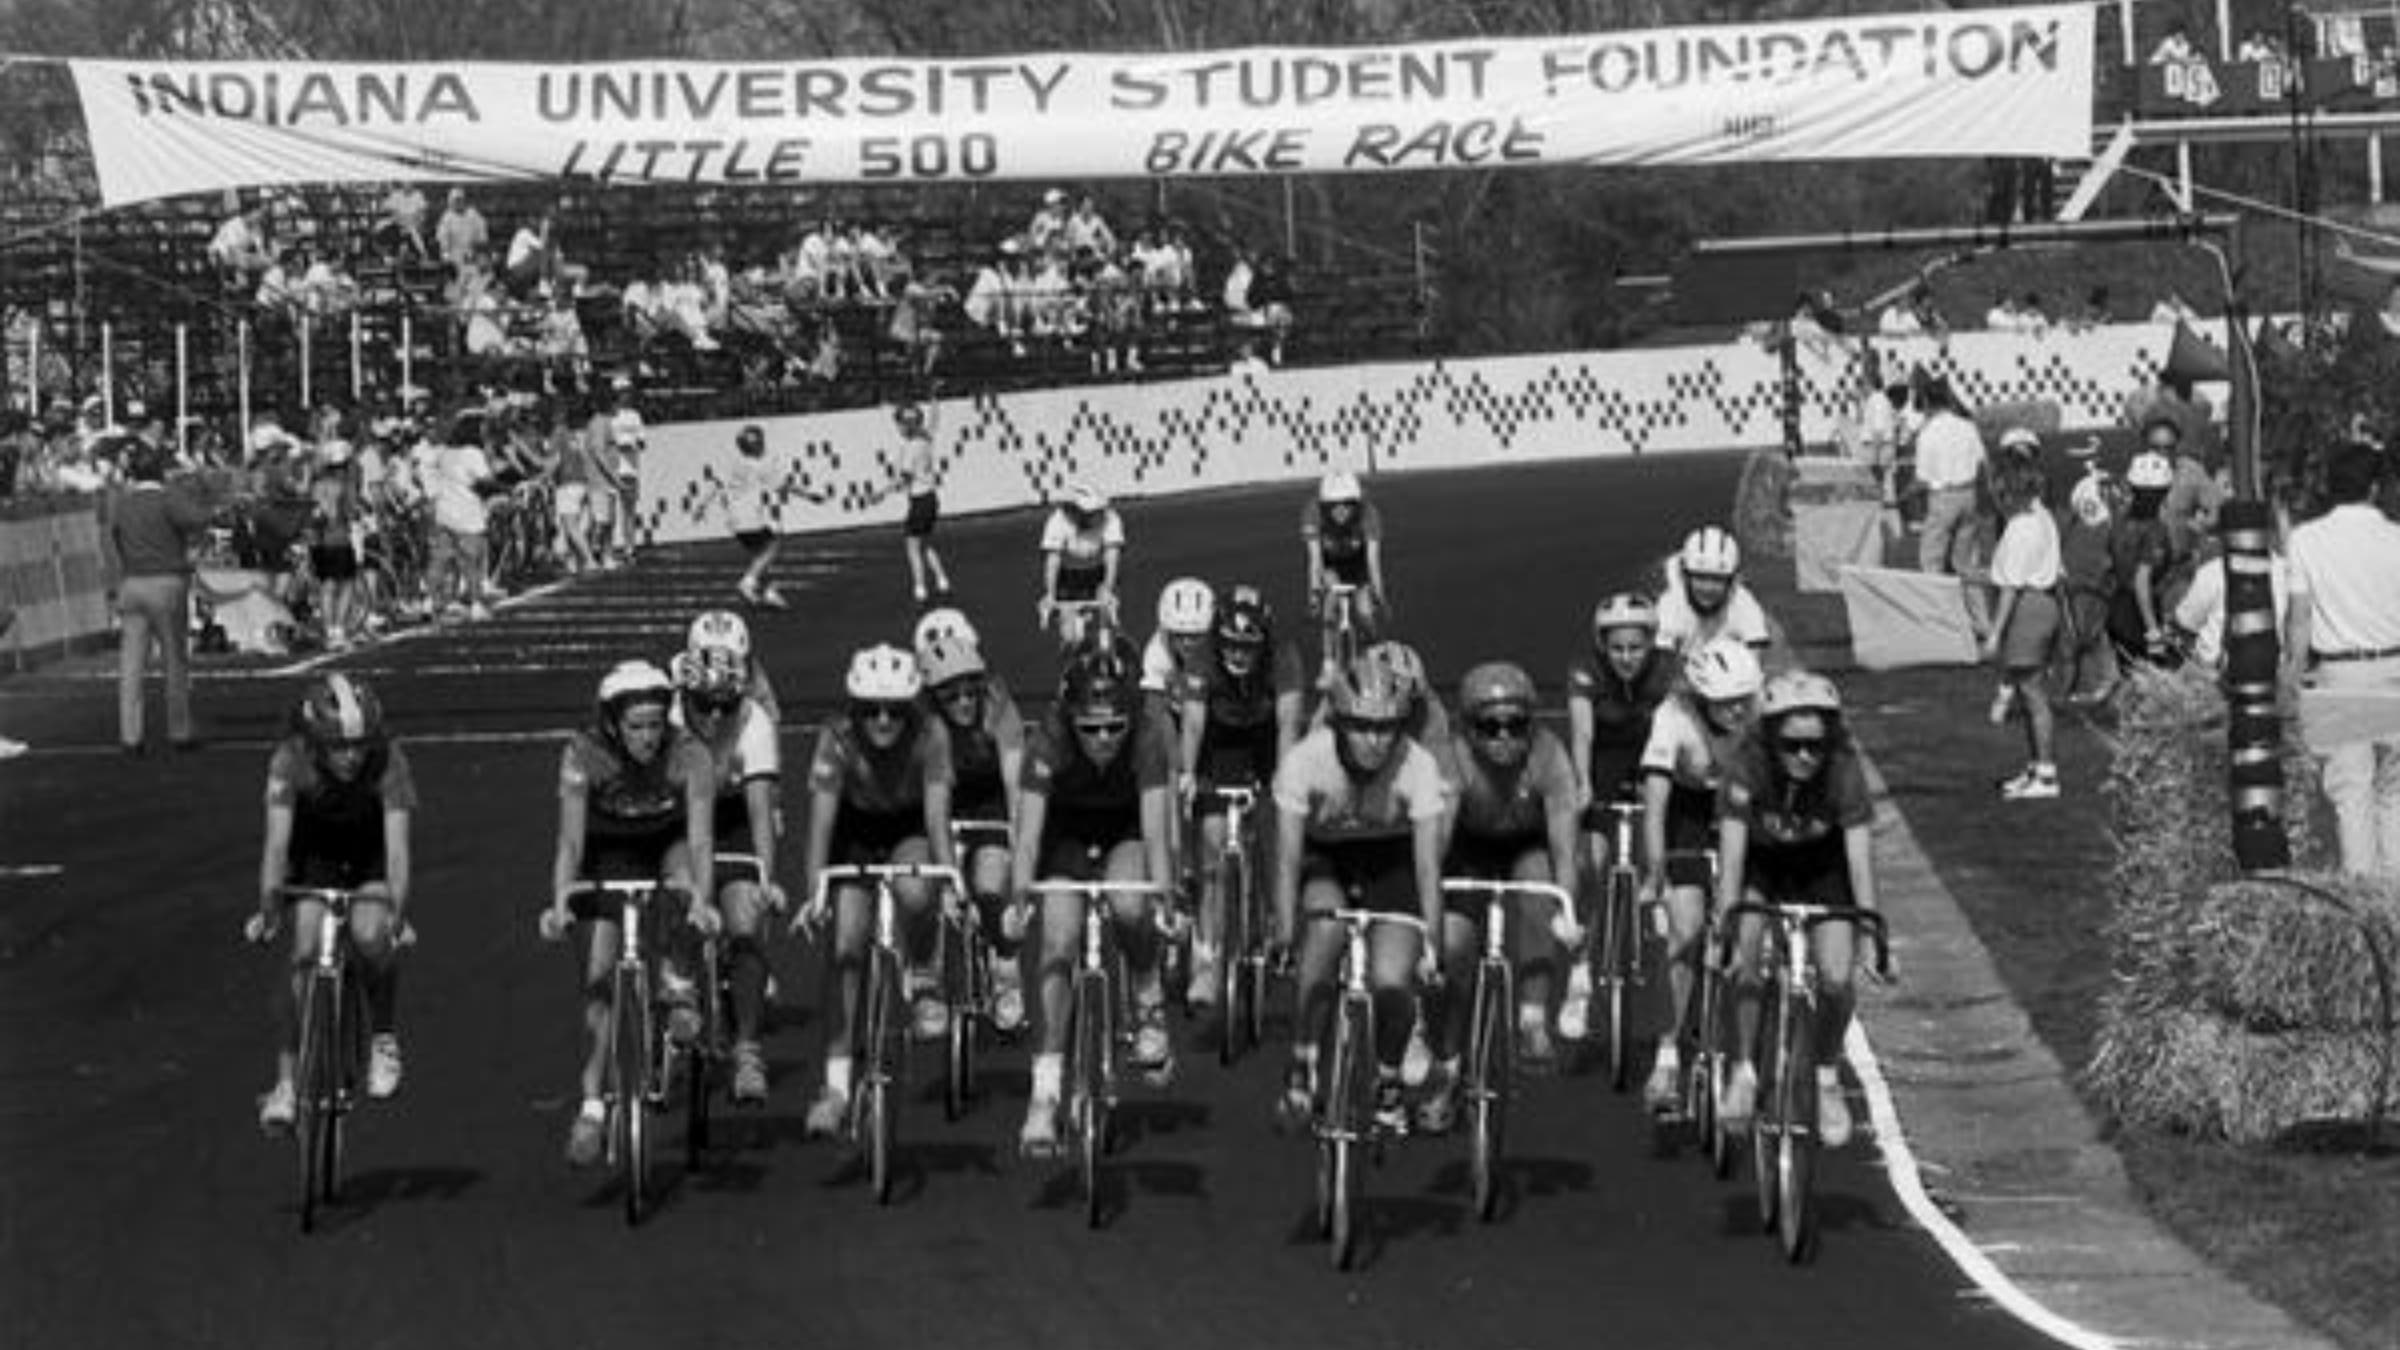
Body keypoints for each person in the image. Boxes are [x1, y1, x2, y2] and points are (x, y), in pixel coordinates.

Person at [539, 661, 719, 1166]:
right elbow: (570, 841)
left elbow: (702, 841)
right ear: (614, 725)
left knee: (683, 886)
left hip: (667, 842)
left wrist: (702, 901)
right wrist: (560, 900)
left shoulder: (690, 753)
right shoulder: (583, 753)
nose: (647, 737)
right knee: (598, 977)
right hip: (607, 849)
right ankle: (592, 1106)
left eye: (655, 725)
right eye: (636, 727)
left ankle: (680, 979)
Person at [1271, 656, 1452, 1135]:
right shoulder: (1304, 761)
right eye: (1362, 727)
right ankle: (1302, 1058)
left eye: (1386, 727)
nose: (1376, 740)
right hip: (1325, 857)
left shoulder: (1418, 764)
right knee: (1324, 932)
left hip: (1390, 861)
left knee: (1393, 981)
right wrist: (1285, 932)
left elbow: (1427, 866)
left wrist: (1431, 944)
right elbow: (1288, 858)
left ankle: (1388, 1077)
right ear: (1340, 722)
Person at [1009, 646, 1178, 1155]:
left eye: (1114, 727)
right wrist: (1019, 898)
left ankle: (1147, 995)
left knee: (1130, 905)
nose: (1104, 740)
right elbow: (1029, 837)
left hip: (1124, 828)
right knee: (1058, 943)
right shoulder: (1047, 740)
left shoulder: (1148, 738)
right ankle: (1044, 1094)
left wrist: (1166, 901)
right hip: (1065, 836)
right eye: (1091, 728)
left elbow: (1155, 833)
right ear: (1070, 720)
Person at [797, 645, 959, 1136]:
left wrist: (951, 881)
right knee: (846, 946)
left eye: (895, 710)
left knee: (916, 893)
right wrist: (814, 893)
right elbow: (820, 826)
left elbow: (936, 818)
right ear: (856, 708)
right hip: (855, 830)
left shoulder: (932, 733)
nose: (884, 720)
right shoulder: (835, 737)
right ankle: (837, 1086)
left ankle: (926, 975)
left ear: (911, 708)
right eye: (872, 710)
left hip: (908, 826)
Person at [1715, 669, 1883, 1143]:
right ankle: (1745, 1070)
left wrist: (1870, 934)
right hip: (1762, 863)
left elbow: (1859, 859)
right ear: (1770, 740)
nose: (1805, 757)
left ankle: (1827, 1075)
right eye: (1792, 746)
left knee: (1835, 978)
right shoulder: (1745, 767)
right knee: (1746, 959)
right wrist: (1725, 930)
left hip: (1822, 867)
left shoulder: (1845, 769)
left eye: (1815, 745)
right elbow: (1731, 859)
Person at [250, 674, 415, 1131]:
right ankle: (286, 1082)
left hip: (369, 859)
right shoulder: (289, 760)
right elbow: (276, 845)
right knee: (302, 951)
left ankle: (382, 1037)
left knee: (369, 934)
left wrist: (397, 914)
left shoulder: (389, 761)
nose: (351, 756)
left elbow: (398, 850)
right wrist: (268, 907)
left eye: (360, 745)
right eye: (338, 746)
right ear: (313, 742)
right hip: (315, 856)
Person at [1436, 662, 1581, 1081]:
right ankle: (1443, 1038)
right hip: (1468, 846)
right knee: (1452, 942)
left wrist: (1564, 909)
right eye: (1490, 726)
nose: (1504, 737)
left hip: (1526, 843)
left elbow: (1564, 847)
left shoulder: (1550, 754)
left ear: (1531, 725)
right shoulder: (1450, 756)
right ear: (1467, 728)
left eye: (1516, 725)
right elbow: (1439, 839)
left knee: (1539, 885)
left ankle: (1532, 1019)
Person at [1636, 636, 1763, 1114]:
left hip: (1743, 810)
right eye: (1723, 704)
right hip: (1689, 812)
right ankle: (1667, 1053)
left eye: (1741, 702)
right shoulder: (1672, 718)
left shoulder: (1762, 712)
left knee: (1751, 934)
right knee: (1686, 929)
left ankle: (1748, 1050)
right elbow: (1655, 807)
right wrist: (1657, 874)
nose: (1735, 712)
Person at [1176, 584, 1307, 1010]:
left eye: (1247, 648)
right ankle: (1209, 958)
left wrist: (1285, 781)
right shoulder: (1201, 659)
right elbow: (1193, 726)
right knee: (1212, 841)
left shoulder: (1284, 658)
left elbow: (1289, 723)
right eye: (1230, 645)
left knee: (1275, 828)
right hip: (1221, 744)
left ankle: (1275, 920)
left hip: (1267, 740)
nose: (1237, 655)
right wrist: (1188, 774)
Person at [670, 645, 785, 1104]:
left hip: (733, 816)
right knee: (679, 893)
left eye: (726, 706)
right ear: (686, 697)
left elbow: (760, 813)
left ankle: (748, 1051)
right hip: (677, 816)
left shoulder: (755, 721)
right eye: (705, 705)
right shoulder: (669, 720)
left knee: (743, 922)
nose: (716, 716)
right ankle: (678, 986)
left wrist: (765, 880)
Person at [1563, 591, 1676, 1038]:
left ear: (1651, 643)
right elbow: (1582, 734)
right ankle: (1580, 967)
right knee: (1591, 860)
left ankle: (1658, 899)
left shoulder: (1671, 671)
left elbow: (1677, 729)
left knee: (1660, 842)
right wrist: (1584, 784)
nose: (1626, 657)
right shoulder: (1584, 670)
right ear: (1602, 646)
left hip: (1655, 759)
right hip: (1605, 763)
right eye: (1617, 649)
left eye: (1636, 647)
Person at [2284, 440, 2400, 876]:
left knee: (2352, 795)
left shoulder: (2306, 540)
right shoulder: (2396, 538)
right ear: (2374, 488)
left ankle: (2362, 904)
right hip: (2395, 666)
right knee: (2394, 795)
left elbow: (2299, 620)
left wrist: (2291, 675)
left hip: (2340, 673)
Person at [917, 628, 1030, 1030]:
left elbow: (1017, 787)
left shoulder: (999, 706)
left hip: (990, 798)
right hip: (942, 796)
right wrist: (947, 879)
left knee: (988, 885)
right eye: (951, 696)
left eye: (970, 692)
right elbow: (934, 811)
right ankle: (925, 982)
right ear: (933, 697)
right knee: (924, 890)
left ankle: (1006, 969)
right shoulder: (928, 725)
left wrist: (1019, 851)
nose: (964, 702)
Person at [104, 438, 230, 754]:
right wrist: (215, 508)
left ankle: (130, 735)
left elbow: (115, 539)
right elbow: (197, 520)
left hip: (132, 583)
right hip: (166, 581)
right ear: (160, 471)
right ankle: (179, 730)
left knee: (131, 664)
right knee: (174, 660)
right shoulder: (166, 499)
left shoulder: (123, 502)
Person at [1983, 452, 2064, 801]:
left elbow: (2010, 588)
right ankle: (2035, 767)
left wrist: (1995, 633)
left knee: (2032, 694)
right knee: (2029, 690)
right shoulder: (2040, 516)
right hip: (2042, 605)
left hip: (2029, 610)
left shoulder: (2020, 529)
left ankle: (2046, 774)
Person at [1302, 471, 1388, 677]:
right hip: (1330, 563)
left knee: (1365, 613)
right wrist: (1313, 594)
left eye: (1347, 504)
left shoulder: (1370, 514)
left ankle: (1375, 656)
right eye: (1333, 505)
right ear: (1323, 505)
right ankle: (1329, 663)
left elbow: (1373, 562)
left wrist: (1379, 595)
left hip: (1358, 562)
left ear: (1357, 503)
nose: (1340, 510)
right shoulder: (1311, 513)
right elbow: (1314, 560)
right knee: (1329, 605)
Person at [2107, 451, 2180, 669]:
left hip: (2117, 610)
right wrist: (2153, 631)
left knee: (2131, 681)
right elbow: (2141, 582)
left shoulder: (2119, 520)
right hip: (2138, 616)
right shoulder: (2155, 530)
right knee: (2155, 684)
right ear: (2164, 492)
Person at [1655, 526, 1771, 655]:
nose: (1708, 588)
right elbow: (1664, 662)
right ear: (1686, 577)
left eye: (1717, 579)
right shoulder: (1670, 604)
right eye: (1700, 577)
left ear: (1732, 582)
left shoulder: (1744, 604)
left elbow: (1755, 659)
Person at [1914, 379, 1989, 579]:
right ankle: (1973, 602)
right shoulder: (1968, 426)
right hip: (1969, 494)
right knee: (1965, 559)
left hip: (1943, 497)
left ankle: (1935, 602)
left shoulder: (1927, 432)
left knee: (1931, 559)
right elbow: (1983, 462)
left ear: (1928, 403)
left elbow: (1922, 479)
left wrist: (1901, 497)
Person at [1036, 483, 1124, 647]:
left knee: (1108, 630)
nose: (1099, 516)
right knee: (1071, 637)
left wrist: (1108, 588)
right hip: (1068, 576)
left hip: (1099, 573)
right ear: (1075, 512)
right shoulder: (1057, 521)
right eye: (1093, 513)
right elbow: (1053, 561)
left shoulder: (1111, 518)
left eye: (1100, 511)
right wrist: (1050, 593)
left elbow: (1112, 557)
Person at [714, 425, 787, 609]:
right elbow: (781, 486)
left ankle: (770, 591)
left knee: (759, 554)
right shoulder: (759, 465)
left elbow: (717, 485)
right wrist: (810, 496)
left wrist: (700, 506)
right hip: (751, 517)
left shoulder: (734, 464)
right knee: (772, 545)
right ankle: (748, 582)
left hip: (735, 519)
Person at [895, 402, 953, 605]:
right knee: (926, 542)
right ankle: (942, 579)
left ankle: (920, 587)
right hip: (931, 498)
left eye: (901, 424)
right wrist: (934, 397)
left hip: (919, 499)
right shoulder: (926, 439)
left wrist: (879, 493)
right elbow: (934, 420)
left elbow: (904, 479)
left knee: (912, 546)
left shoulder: (910, 448)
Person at [1143, 576, 1217, 731]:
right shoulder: (1156, 657)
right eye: (1179, 634)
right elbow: (1155, 717)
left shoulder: (1221, 648)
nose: (1187, 643)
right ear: (1165, 631)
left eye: (1196, 635)